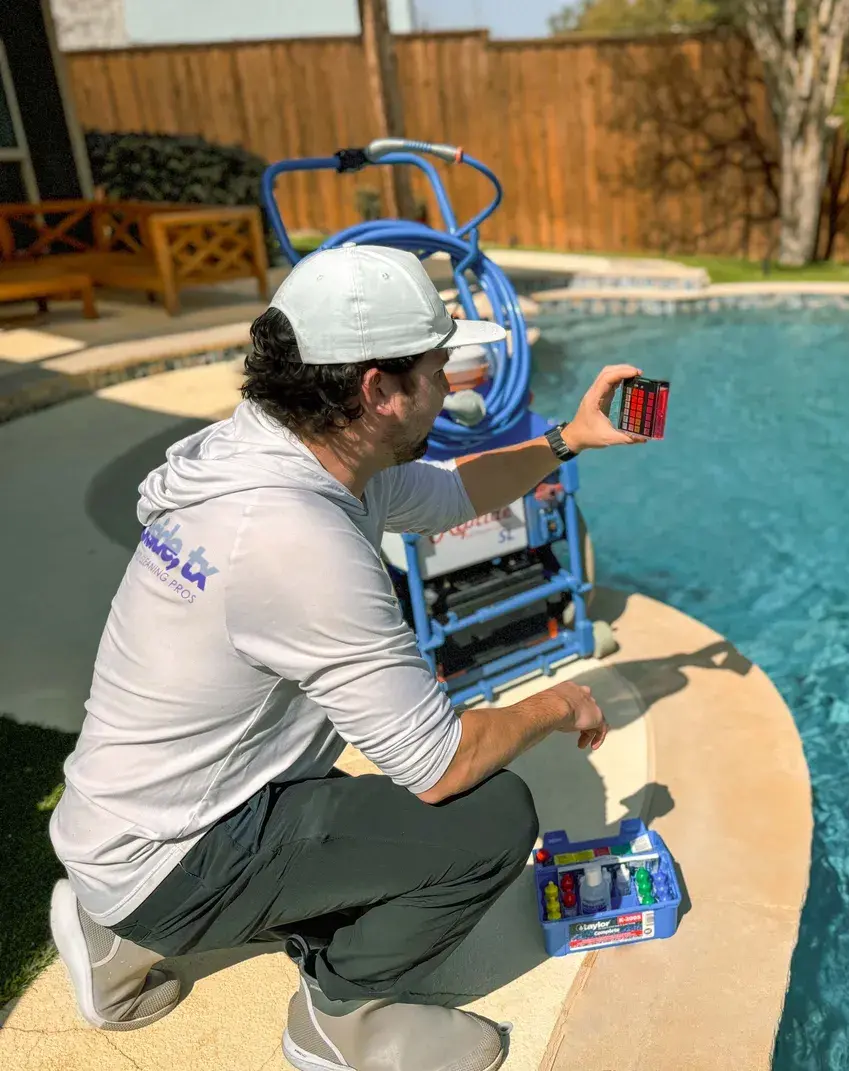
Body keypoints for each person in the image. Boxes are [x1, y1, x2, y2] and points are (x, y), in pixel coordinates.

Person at [46, 245, 646, 1071]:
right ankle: (342, 1016)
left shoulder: (274, 453)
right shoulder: (296, 539)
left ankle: (109, 934)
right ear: (379, 390)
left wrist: (566, 441)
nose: (454, 379)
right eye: (438, 365)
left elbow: (453, 493)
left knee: (368, 808)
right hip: (171, 858)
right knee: (491, 817)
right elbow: (440, 764)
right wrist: (558, 704)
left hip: (117, 823)